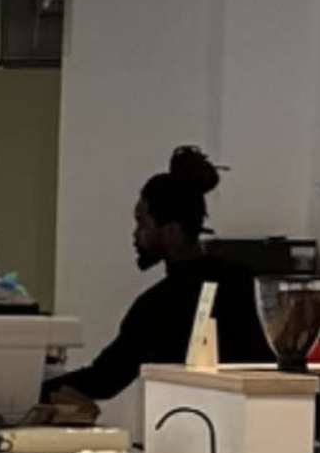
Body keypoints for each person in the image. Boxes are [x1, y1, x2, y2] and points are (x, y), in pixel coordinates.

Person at [53, 143, 268, 414]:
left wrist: (35, 389)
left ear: (172, 231)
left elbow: (105, 378)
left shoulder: (159, 305)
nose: (135, 234)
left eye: (142, 223)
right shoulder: (241, 278)